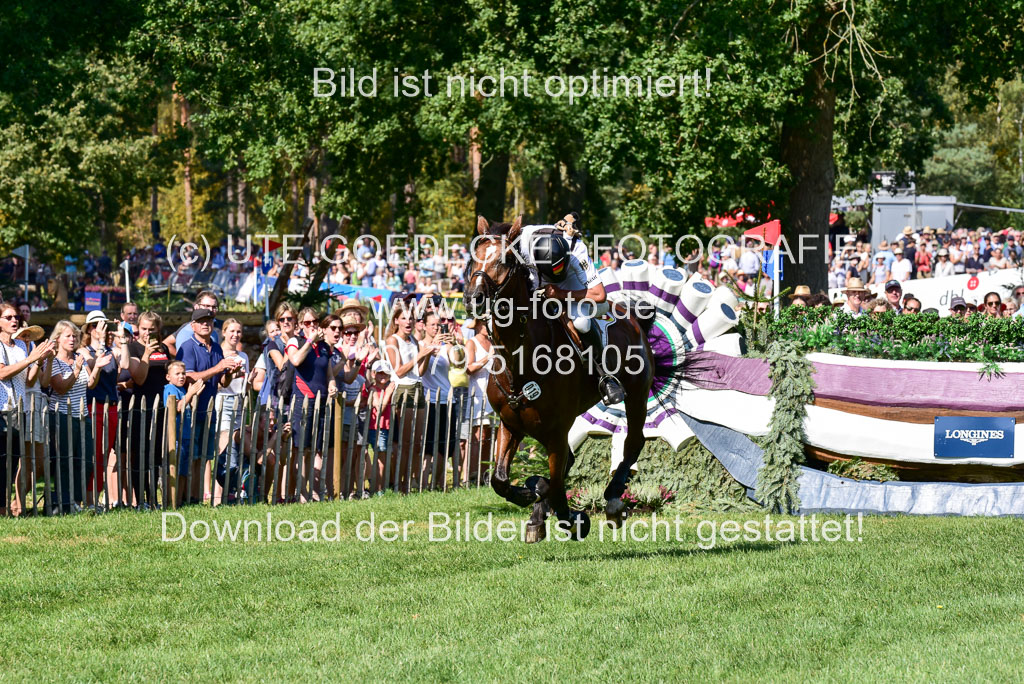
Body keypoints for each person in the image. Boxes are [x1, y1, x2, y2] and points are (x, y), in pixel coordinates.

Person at [520, 213, 624, 404]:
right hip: (538, 276)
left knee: (582, 324)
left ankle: (605, 376)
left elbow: (599, 295)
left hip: (571, 282)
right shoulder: (526, 240)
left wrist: (560, 294)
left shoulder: (577, 250)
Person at [175, 308, 240, 505]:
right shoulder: (187, 347)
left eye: (209, 321)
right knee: (189, 456)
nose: (206, 324)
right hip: (191, 409)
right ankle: (185, 497)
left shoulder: (217, 348)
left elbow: (222, 382)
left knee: (202, 457)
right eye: (201, 321)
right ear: (192, 325)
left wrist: (229, 372)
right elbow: (189, 376)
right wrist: (219, 368)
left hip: (210, 409)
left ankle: (195, 498)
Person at [41, 321, 105, 514]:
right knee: (65, 460)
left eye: (75, 336)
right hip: (62, 415)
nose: (72, 339)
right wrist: (76, 371)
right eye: (68, 335)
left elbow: (91, 384)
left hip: (82, 416)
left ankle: (77, 501)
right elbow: (60, 388)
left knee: (84, 460)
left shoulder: (79, 357)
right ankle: (64, 502)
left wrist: (98, 367)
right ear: (58, 338)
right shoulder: (52, 361)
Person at [0, 303, 54, 516]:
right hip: (2, 409)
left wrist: (40, 361)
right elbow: (3, 374)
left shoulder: (22, 346)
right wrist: (31, 359)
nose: (15, 321)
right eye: (8, 317)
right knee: (1, 461)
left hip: (19, 410)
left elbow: (30, 380)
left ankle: (7, 508)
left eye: (16, 317)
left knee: (13, 461)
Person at [285, 308, 343, 502]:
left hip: (322, 401)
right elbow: (295, 360)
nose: (312, 326)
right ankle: (300, 494)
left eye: (315, 322)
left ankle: (314, 492)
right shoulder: (296, 341)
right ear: (301, 325)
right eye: (308, 323)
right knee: (301, 450)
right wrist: (309, 341)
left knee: (315, 449)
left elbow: (329, 375)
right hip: (303, 400)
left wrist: (333, 386)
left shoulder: (324, 347)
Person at [120, 311, 170, 509]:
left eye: (151, 329)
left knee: (157, 454)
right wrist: (147, 354)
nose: (147, 333)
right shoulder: (133, 347)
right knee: (139, 453)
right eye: (143, 329)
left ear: (158, 329)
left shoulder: (164, 347)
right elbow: (139, 378)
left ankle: (154, 498)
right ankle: (140, 500)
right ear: (137, 328)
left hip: (161, 405)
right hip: (140, 405)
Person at [384, 303, 432, 492]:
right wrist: (419, 354)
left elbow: (420, 371)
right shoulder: (392, 341)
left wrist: (426, 355)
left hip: (418, 387)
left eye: (411, 318)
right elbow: (399, 370)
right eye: (404, 318)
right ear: (396, 320)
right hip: (403, 389)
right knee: (404, 442)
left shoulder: (414, 339)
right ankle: (399, 483)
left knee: (417, 442)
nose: (408, 321)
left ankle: (409, 482)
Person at [79, 311, 121, 509]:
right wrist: (102, 343)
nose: (100, 328)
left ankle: (96, 497)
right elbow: (95, 369)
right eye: (96, 325)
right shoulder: (84, 350)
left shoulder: (113, 350)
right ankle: (89, 500)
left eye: (103, 324)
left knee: (104, 455)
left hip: (111, 406)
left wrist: (122, 338)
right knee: (93, 454)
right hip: (93, 405)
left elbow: (127, 364)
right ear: (89, 329)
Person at [214, 318, 248, 503]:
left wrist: (248, 383)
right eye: (232, 331)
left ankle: (231, 492)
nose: (235, 335)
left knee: (235, 447)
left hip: (239, 402)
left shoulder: (244, 357)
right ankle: (219, 495)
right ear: (224, 332)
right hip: (223, 400)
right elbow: (217, 384)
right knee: (224, 447)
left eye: (238, 332)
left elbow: (243, 384)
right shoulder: (219, 353)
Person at [163, 361, 206, 507]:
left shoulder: (182, 390)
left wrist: (194, 396)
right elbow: (178, 407)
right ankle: (171, 502)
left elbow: (189, 406)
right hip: (175, 436)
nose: (181, 376)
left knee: (183, 472)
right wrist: (190, 393)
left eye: (183, 373)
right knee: (174, 470)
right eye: (177, 374)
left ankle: (180, 501)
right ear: (168, 377)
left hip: (186, 435)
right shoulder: (170, 389)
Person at [463, 317, 494, 485]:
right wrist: (487, 358)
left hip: (493, 394)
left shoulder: (493, 342)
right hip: (479, 393)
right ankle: (471, 474)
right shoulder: (471, 343)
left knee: (490, 436)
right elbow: (469, 368)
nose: (488, 326)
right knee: (478, 436)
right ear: (478, 325)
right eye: (485, 323)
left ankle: (484, 474)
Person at [362, 360, 394, 493]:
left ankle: (380, 486)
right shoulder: (374, 389)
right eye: (380, 373)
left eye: (385, 373)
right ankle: (377, 488)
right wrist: (388, 393)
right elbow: (379, 407)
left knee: (383, 457)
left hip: (386, 426)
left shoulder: (386, 389)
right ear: (374, 374)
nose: (383, 376)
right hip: (376, 427)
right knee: (379, 457)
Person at [164, 290, 222, 356]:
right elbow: (166, 343)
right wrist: (179, 356)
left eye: (214, 307)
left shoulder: (218, 328)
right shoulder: (187, 330)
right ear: (196, 307)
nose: (211, 310)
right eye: (207, 306)